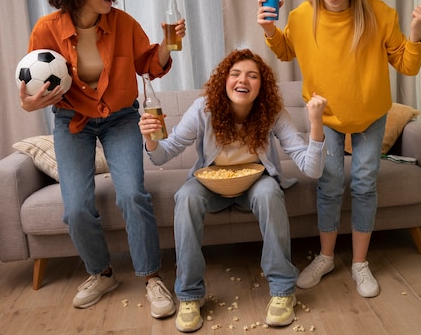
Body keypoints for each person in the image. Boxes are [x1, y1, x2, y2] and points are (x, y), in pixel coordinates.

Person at [256, 0, 421, 298]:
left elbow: (408, 65)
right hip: (326, 117)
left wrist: (415, 30)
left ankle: (359, 263)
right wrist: (269, 30)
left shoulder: (379, 13)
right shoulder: (302, 16)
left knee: (365, 184)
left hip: (370, 115)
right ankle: (325, 257)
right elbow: (287, 49)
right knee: (330, 184)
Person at [19, 0, 185, 317]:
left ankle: (151, 276)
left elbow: (149, 65)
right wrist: (29, 103)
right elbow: (33, 87)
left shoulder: (123, 23)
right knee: (76, 207)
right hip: (72, 120)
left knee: (132, 195)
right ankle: (101, 272)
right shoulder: (46, 30)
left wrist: (170, 44)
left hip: (121, 119)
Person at [139, 49, 327, 332]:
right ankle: (190, 296)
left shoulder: (272, 112)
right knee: (186, 196)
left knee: (269, 193)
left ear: (261, 86)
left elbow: (311, 168)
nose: (243, 80)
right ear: (224, 80)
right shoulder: (204, 108)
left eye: (253, 76)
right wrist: (151, 139)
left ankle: (282, 291)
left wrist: (315, 123)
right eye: (236, 74)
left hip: (256, 182)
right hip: (210, 183)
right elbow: (163, 154)